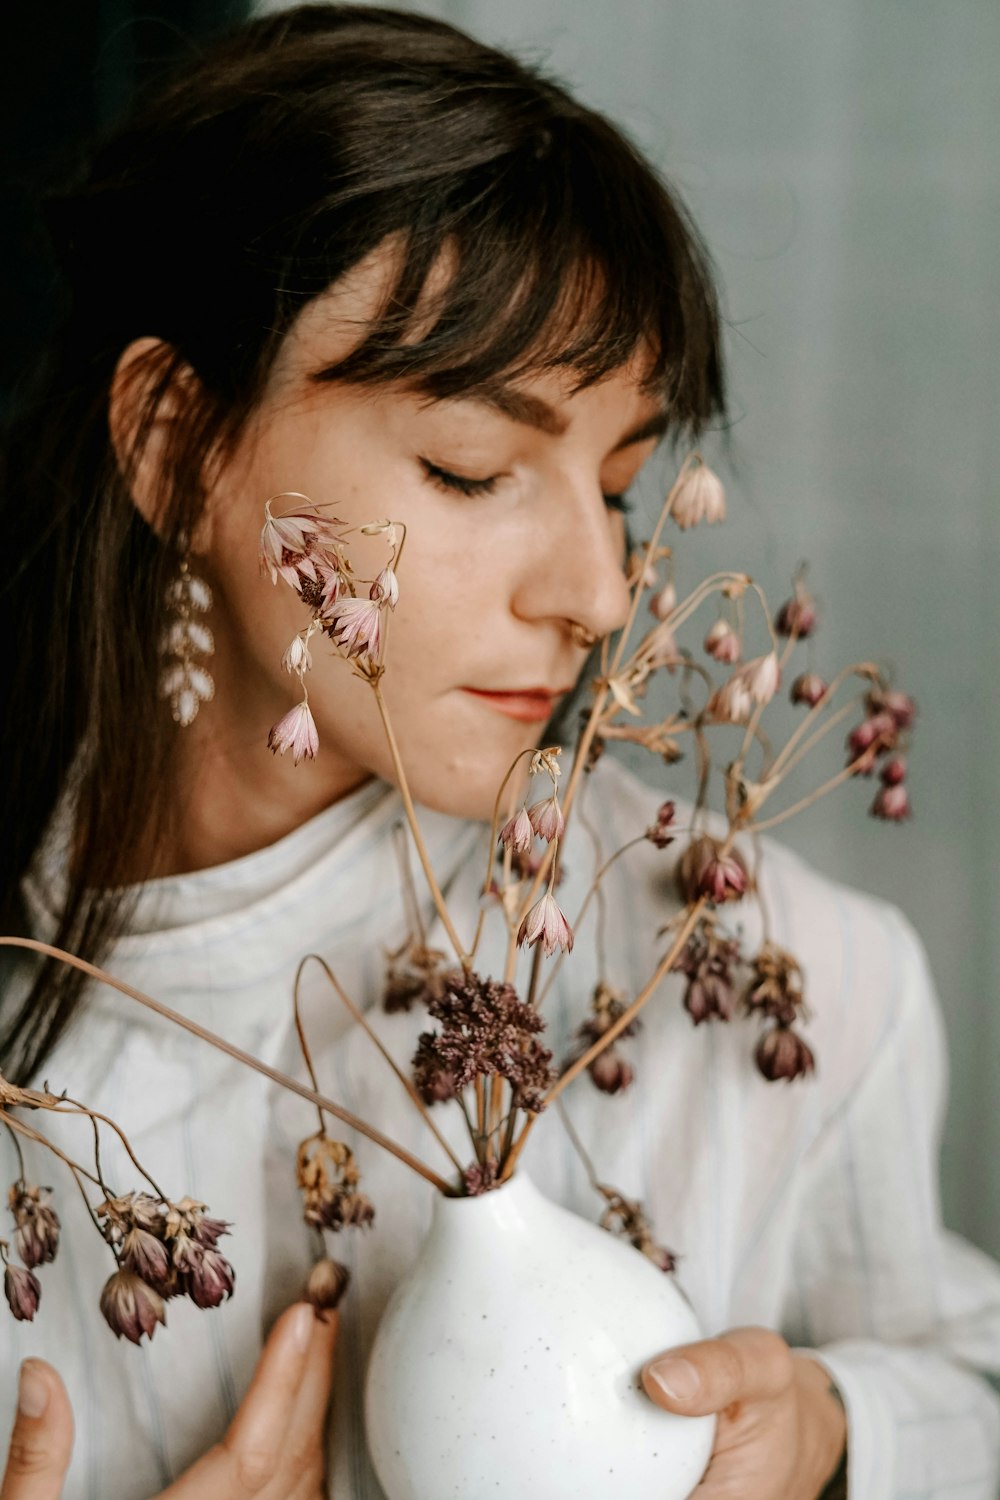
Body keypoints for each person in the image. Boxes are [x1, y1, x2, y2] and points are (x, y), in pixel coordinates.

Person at [1, 6, 998, 1498]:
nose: (598, 593)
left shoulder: (781, 980)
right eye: (474, 470)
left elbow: (965, 1384)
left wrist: (835, 1434)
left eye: (616, 485)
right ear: (174, 443)